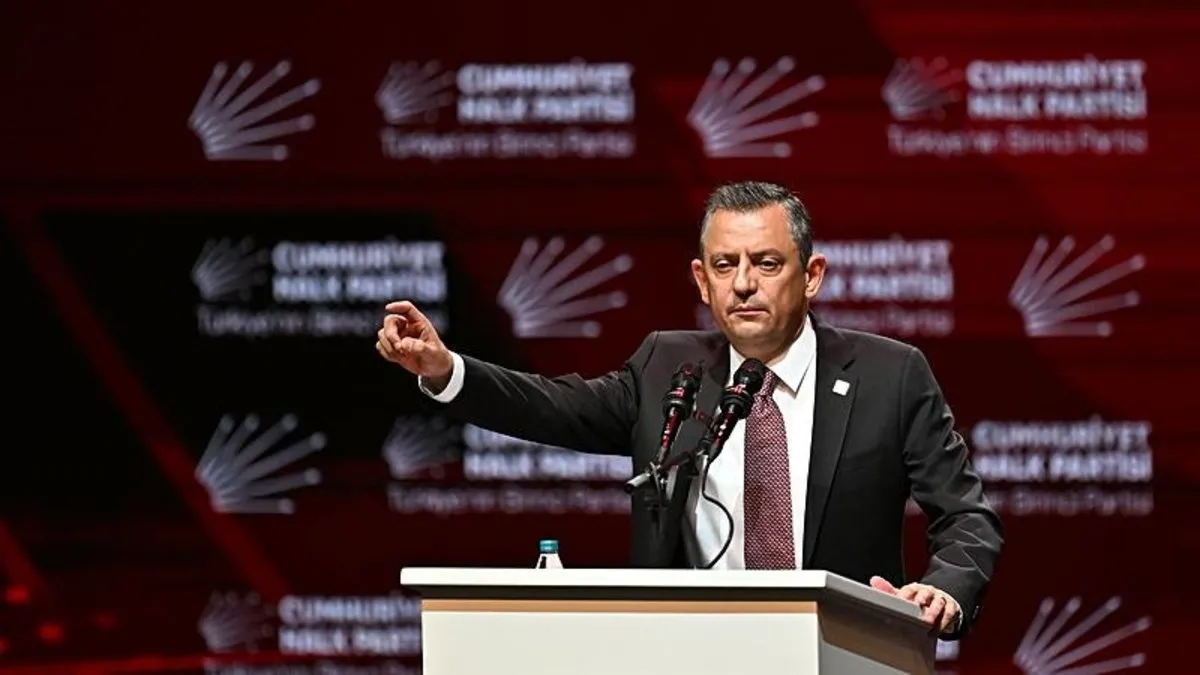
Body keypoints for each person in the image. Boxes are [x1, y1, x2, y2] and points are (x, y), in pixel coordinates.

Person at [376, 180, 1003, 640]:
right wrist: (446, 369)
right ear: (702, 281)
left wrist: (944, 590)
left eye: (766, 263)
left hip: (841, 653)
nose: (744, 283)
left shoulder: (889, 375)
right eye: (726, 266)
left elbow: (967, 517)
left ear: (811, 276)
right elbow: (554, 407)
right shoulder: (667, 368)